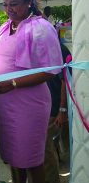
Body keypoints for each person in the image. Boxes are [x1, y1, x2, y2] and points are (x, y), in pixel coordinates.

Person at [0, 0, 63, 183]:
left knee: (32, 157)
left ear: (28, 1)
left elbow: (51, 70)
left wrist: (12, 83)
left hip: (30, 102)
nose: (8, 9)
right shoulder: (4, 28)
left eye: (14, 4)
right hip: (6, 101)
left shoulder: (41, 28)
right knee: (13, 154)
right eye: (5, 4)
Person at [44, 41, 71, 183]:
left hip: (56, 109)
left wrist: (62, 110)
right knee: (51, 148)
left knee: (50, 150)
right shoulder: (43, 47)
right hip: (48, 108)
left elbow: (64, 81)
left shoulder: (57, 49)